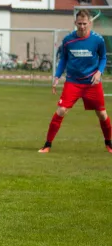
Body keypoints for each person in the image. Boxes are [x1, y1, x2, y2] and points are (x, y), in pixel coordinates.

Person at [39, 9, 110, 153]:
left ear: (89, 23)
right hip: (73, 82)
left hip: (92, 83)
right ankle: (47, 145)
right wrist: (57, 76)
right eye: (79, 23)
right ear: (75, 23)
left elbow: (103, 57)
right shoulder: (68, 40)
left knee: (102, 114)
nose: (82, 26)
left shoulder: (98, 40)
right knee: (61, 110)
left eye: (85, 23)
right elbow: (64, 59)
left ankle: (109, 143)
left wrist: (99, 72)